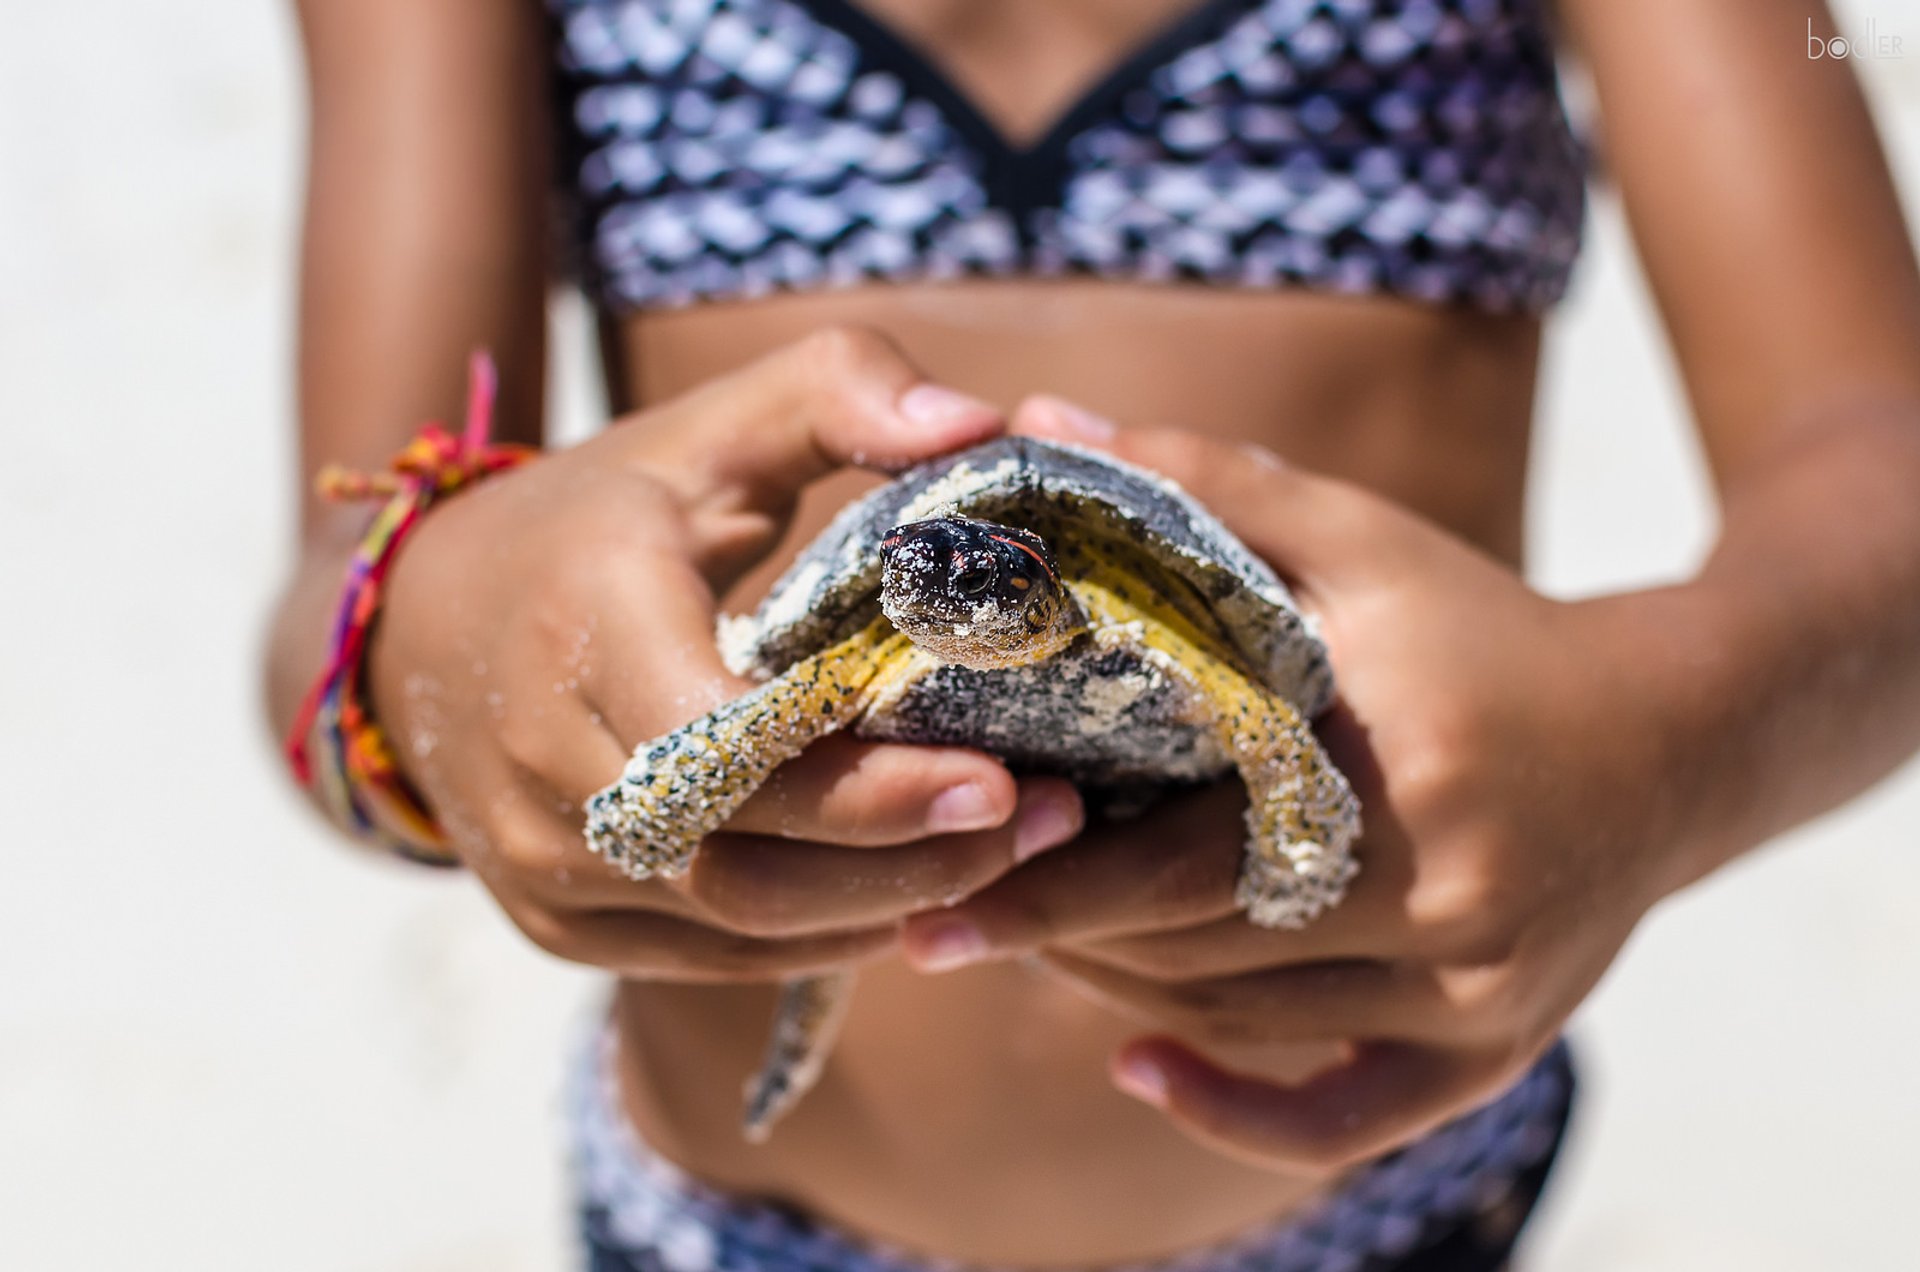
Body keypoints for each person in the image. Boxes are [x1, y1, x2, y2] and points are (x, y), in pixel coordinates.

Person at [267, 1, 1920, 1268]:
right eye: (933, 595)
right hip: (722, 1215)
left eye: (974, 591)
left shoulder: (1155, 635)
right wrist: (419, 647)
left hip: (1384, 1205)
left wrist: (1661, 748)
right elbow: (333, 584)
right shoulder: (879, 634)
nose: (937, 614)